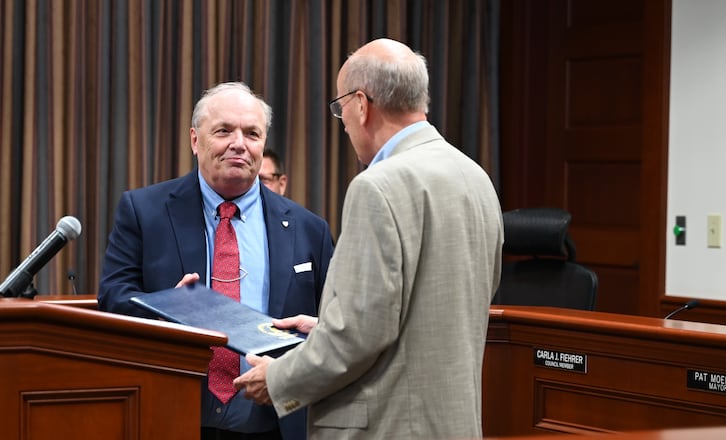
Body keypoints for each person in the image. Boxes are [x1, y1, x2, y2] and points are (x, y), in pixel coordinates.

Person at [233, 38, 504, 439]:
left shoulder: (377, 186)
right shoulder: (476, 177)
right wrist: (326, 326)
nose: (341, 121)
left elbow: (358, 336)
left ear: (362, 104)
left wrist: (278, 380)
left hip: (387, 426)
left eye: (339, 108)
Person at [98, 82, 335, 440]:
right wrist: (164, 310)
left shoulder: (309, 228)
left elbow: (334, 325)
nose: (239, 143)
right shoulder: (144, 211)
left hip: (276, 424)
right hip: (173, 416)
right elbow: (112, 298)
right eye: (224, 131)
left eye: (252, 133)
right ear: (195, 140)